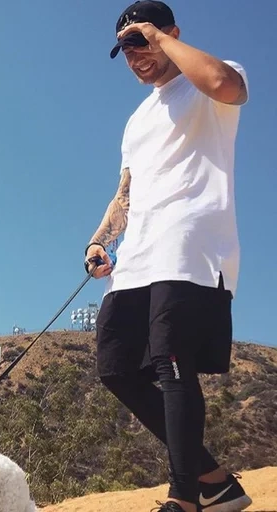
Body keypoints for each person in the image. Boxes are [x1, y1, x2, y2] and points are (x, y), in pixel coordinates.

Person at [84, 2, 251, 511]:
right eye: (126, 48)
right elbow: (126, 193)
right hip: (137, 257)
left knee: (171, 364)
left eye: (142, 42)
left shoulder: (210, 81)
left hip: (191, 249)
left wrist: (159, 36)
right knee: (115, 367)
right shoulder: (136, 122)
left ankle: (184, 497)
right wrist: (98, 240)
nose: (135, 56)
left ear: (170, 33)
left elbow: (227, 85)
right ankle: (216, 481)